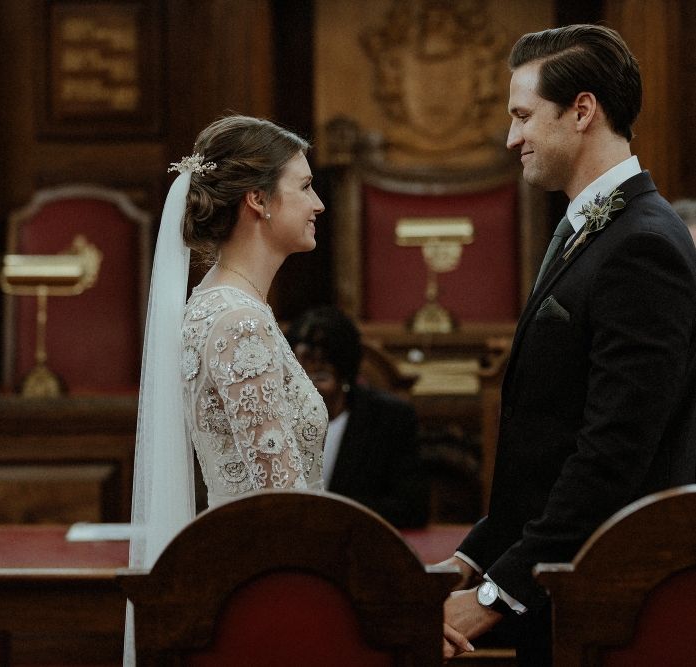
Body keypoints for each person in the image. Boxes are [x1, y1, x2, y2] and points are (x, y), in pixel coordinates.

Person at [440, 25, 696, 665]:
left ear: (582, 110)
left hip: (596, 598)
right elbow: (546, 437)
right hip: (550, 571)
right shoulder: (587, 226)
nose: (511, 137)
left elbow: (612, 452)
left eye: (523, 115)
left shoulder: (645, 245)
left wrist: (498, 595)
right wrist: (476, 555)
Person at [126, 115, 327, 665]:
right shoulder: (238, 321)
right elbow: (281, 503)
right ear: (258, 200)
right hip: (271, 590)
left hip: (255, 575)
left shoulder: (220, 305)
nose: (319, 204)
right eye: (305, 187)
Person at [286, 305, 429, 528]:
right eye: (305, 362)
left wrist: (330, 511)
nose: (313, 373)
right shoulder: (273, 416)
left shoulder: (390, 418)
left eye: (324, 361)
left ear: (344, 366)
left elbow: (412, 509)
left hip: (359, 543)